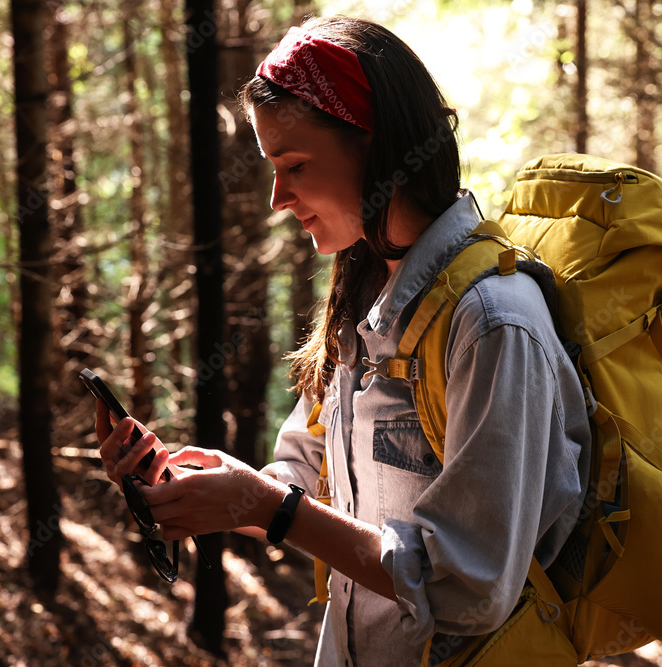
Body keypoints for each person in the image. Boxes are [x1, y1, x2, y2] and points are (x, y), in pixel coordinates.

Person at [97, 16, 591, 666]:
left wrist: (273, 507)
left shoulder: (494, 322)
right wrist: (198, 488)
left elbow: (471, 585)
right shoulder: (363, 302)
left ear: (377, 147)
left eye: (294, 165)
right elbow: (304, 480)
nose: (278, 197)